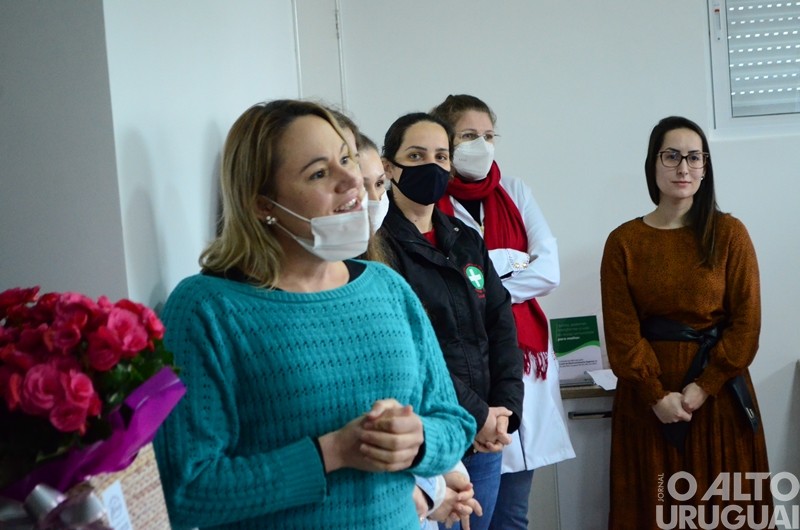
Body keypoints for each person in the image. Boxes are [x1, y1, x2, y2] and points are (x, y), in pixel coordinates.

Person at [152, 99, 476, 530]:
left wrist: (419, 441)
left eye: (346, 159)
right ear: (262, 203)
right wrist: (332, 453)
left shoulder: (387, 287)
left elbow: (452, 422)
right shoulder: (206, 309)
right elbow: (186, 491)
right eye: (320, 173)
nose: (352, 181)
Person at [600, 116, 772, 529]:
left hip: (718, 401)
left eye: (694, 157)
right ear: (653, 164)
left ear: (705, 166)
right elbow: (622, 333)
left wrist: (702, 388)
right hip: (648, 407)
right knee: (656, 512)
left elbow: (747, 324)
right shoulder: (623, 242)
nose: (683, 168)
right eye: (672, 156)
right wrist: (658, 396)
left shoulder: (730, 234)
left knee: (725, 514)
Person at [430, 94, 575, 530]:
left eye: (489, 135)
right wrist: (514, 263)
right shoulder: (431, 205)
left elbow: (548, 270)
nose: (482, 144)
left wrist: (484, 286)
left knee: (513, 515)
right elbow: (445, 284)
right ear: (448, 142)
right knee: (465, 515)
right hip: (467, 374)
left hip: (519, 371)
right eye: (469, 135)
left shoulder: (515, 191)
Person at [377, 112, 524, 530]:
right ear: (389, 167)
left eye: (441, 156)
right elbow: (413, 351)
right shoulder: (379, 249)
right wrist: (477, 415)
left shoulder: (465, 239)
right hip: (430, 435)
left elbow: (500, 324)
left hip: (485, 438)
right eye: (416, 155)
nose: (432, 166)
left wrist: (506, 410)